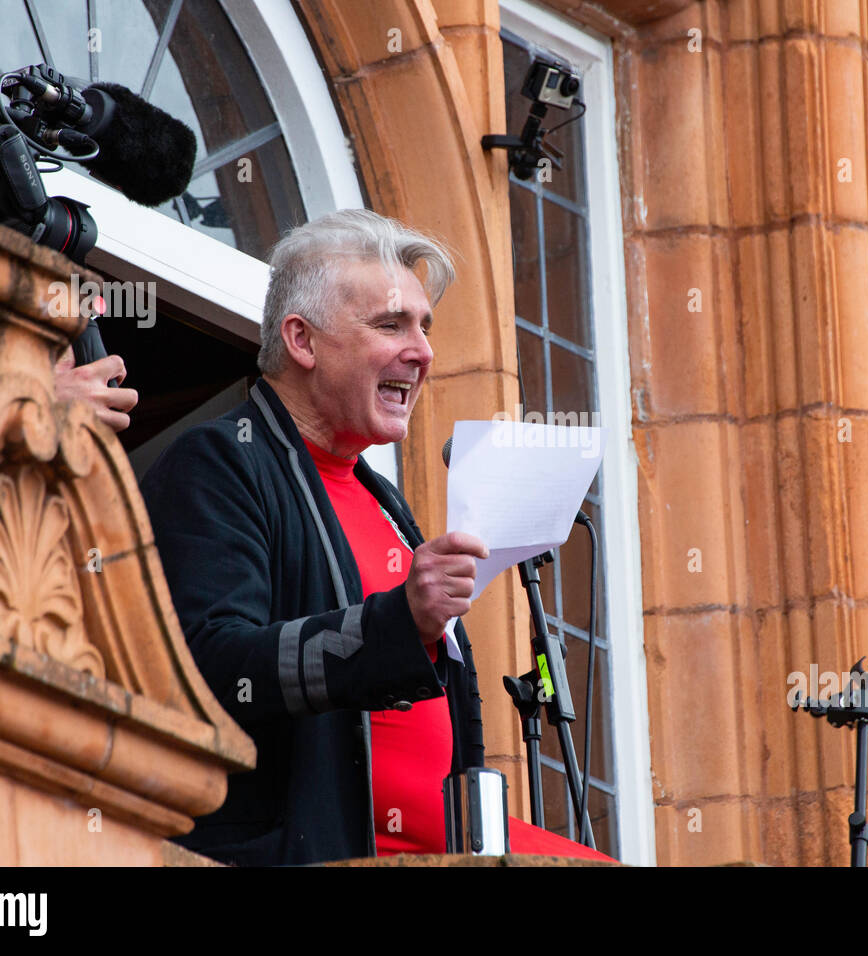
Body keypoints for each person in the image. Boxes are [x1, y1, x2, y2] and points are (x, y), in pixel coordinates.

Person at [140, 210, 611, 866]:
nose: (422, 351)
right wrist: (400, 621)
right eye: (391, 324)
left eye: (424, 326)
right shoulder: (222, 461)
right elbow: (212, 667)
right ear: (301, 341)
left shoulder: (381, 499)